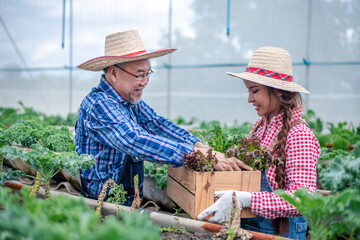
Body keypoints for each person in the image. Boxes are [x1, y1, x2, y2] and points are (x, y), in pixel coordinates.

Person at [75, 30, 244, 206]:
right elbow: (135, 140)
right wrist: (198, 155)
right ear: (114, 73)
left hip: (126, 201)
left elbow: (157, 125)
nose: (146, 81)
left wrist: (198, 145)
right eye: (140, 74)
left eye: (148, 73)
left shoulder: (128, 102)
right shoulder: (99, 104)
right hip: (101, 204)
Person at [197, 46, 320, 240]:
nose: (249, 99)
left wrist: (246, 199)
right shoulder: (261, 125)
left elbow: (302, 200)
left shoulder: (299, 135)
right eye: (248, 91)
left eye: (254, 91)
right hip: (253, 227)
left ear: (279, 92)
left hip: (280, 233)